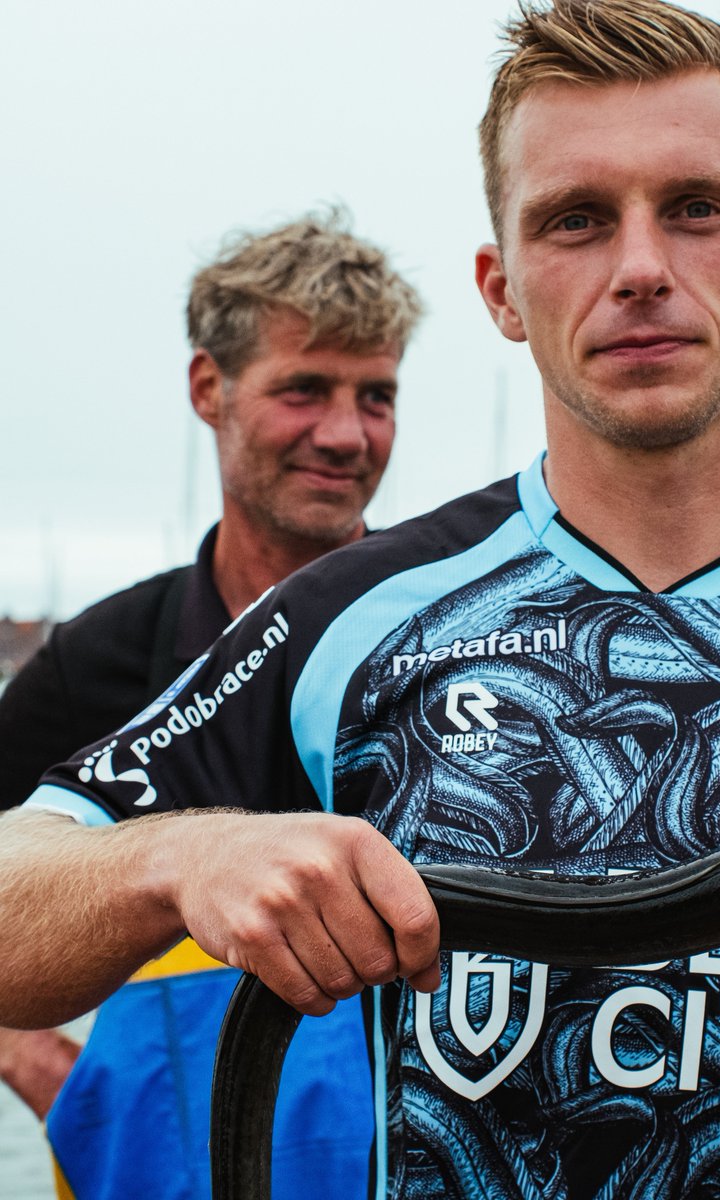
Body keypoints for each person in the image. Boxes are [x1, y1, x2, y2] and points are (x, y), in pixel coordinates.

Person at [0, 3, 720, 1197]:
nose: (641, 269)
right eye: (576, 221)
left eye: (697, 207)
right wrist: (185, 863)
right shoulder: (349, 621)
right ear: (502, 287)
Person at [0, 210, 422, 1200]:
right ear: (209, 390)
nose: (347, 434)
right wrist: (34, 1061)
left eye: (378, 396)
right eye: (304, 390)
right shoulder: (95, 667)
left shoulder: (460, 639)